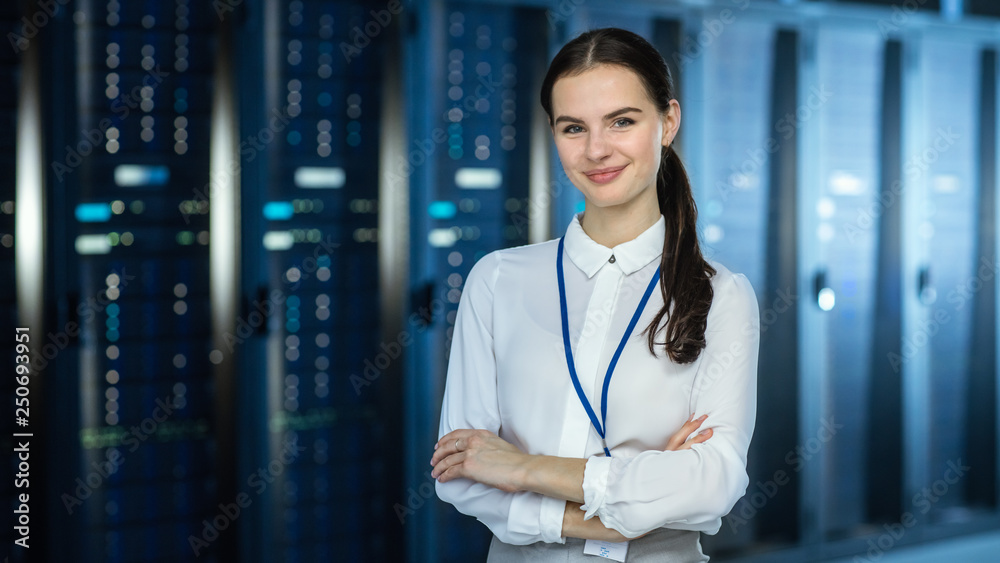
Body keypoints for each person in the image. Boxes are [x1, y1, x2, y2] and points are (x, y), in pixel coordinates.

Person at [430, 27, 759, 562]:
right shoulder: (497, 280)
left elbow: (714, 483)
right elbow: (459, 474)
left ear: (668, 121)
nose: (596, 150)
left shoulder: (722, 295)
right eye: (573, 128)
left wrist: (523, 468)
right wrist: (628, 506)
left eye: (622, 121)